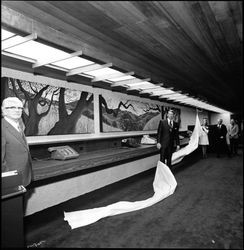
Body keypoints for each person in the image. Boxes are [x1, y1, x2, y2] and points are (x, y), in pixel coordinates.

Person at [1, 97, 33, 187]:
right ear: (4, 110)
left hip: (24, 175)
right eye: (12, 107)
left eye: (20, 108)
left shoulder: (17, 125)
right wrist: (10, 180)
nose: (17, 110)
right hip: (10, 181)